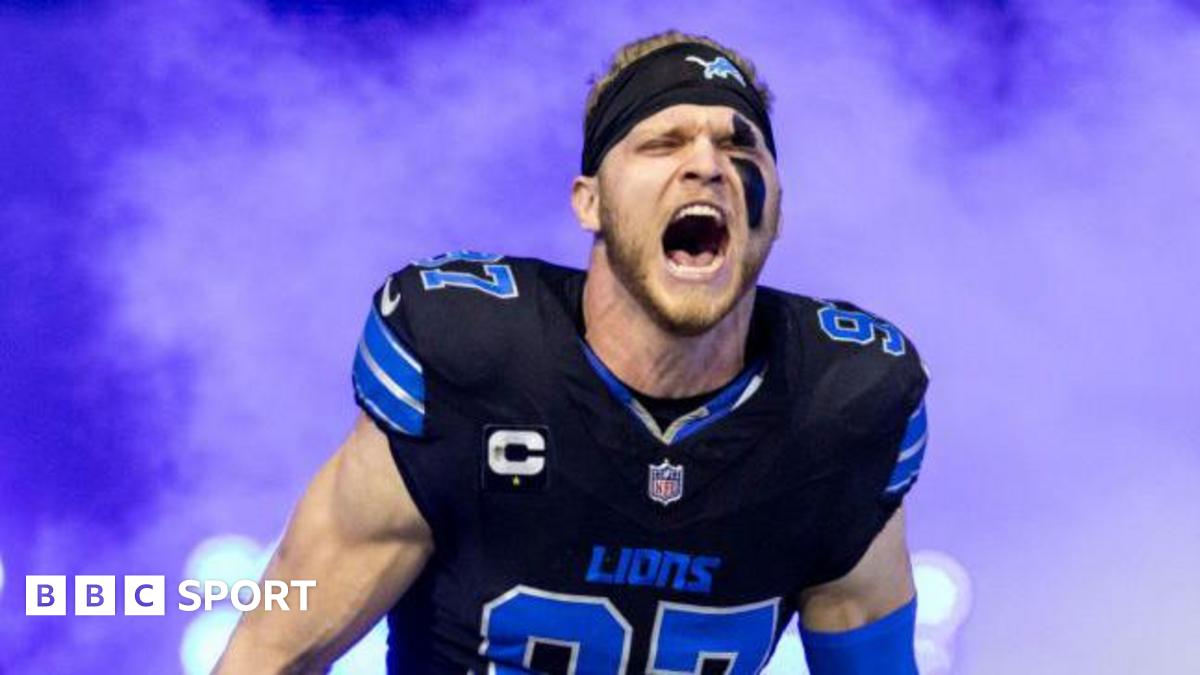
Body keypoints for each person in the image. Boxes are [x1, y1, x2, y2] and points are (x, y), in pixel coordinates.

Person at [217, 30, 929, 675]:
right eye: (664, 143)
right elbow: (272, 655)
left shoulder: (844, 406)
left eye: (739, 148)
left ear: (775, 209)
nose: (708, 166)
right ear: (589, 202)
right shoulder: (471, 361)